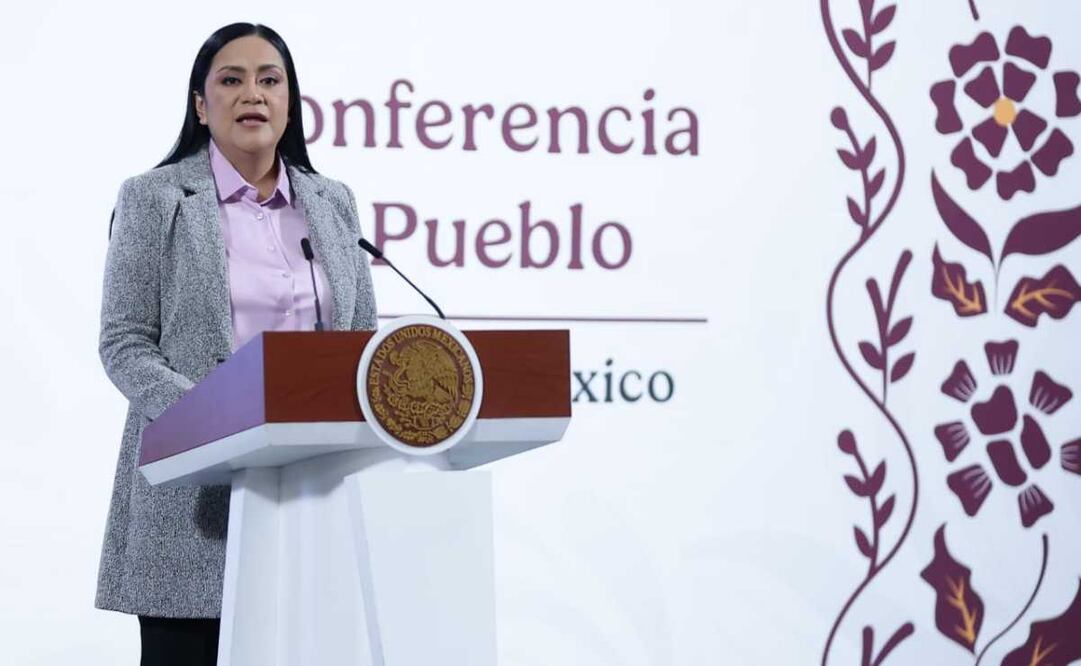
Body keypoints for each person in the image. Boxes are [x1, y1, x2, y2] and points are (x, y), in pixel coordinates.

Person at [95, 22, 377, 666]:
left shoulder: (332, 204)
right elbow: (125, 342)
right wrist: (214, 420)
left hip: (310, 494)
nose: (253, 93)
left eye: (269, 80)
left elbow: (360, 342)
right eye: (232, 79)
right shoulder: (155, 199)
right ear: (201, 104)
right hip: (192, 497)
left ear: (289, 101)